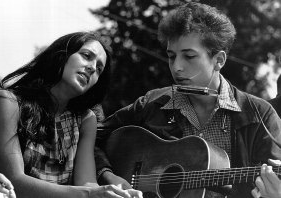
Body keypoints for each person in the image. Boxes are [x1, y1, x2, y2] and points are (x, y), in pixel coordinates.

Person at [94, 2, 281, 198]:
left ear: (219, 60)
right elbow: (92, 137)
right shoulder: (152, 103)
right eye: (171, 56)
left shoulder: (260, 114)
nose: (177, 67)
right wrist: (106, 175)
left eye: (189, 56)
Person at [0, 31, 142, 198]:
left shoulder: (86, 120)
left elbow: (87, 183)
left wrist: (114, 195)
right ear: (62, 55)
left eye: (99, 69)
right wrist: (89, 193)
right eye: (86, 56)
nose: (92, 68)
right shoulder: (9, 103)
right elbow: (14, 182)